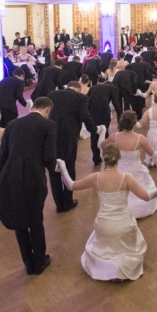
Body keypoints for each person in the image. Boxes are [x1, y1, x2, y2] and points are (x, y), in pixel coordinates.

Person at [56, 145, 157, 281]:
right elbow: (147, 197)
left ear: (104, 158)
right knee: (132, 235)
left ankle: (107, 268)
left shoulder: (96, 177)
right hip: (123, 225)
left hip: (103, 225)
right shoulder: (127, 178)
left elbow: (70, 185)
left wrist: (63, 168)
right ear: (119, 158)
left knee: (101, 240)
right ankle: (121, 270)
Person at [0, 97, 57, 275]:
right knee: (35, 220)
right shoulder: (48, 125)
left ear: (33, 107)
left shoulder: (12, 124)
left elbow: (2, 156)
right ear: (47, 110)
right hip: (33, 178)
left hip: (11, 177)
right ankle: (40, 261)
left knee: (20, 221)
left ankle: (28, 263)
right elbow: (49, 157)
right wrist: (57, 172)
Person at [101, 111, 157, 219]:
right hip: (136, 171)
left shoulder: (115, 136)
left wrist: (102, 131)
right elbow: (154, 154)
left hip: (119, 170)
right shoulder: (140, 138)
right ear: (134, 123)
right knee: (144, 190)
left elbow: (102, 145)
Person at [47, 82, 100, 213]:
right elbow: (85, 116)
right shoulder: (81, 98)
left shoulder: (52, 94)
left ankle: (59, 204)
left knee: (54, 169)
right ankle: (67, 201)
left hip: (51, 136)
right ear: (79, 89)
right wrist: (94, 130)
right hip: (69, 137)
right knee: (69, 167)